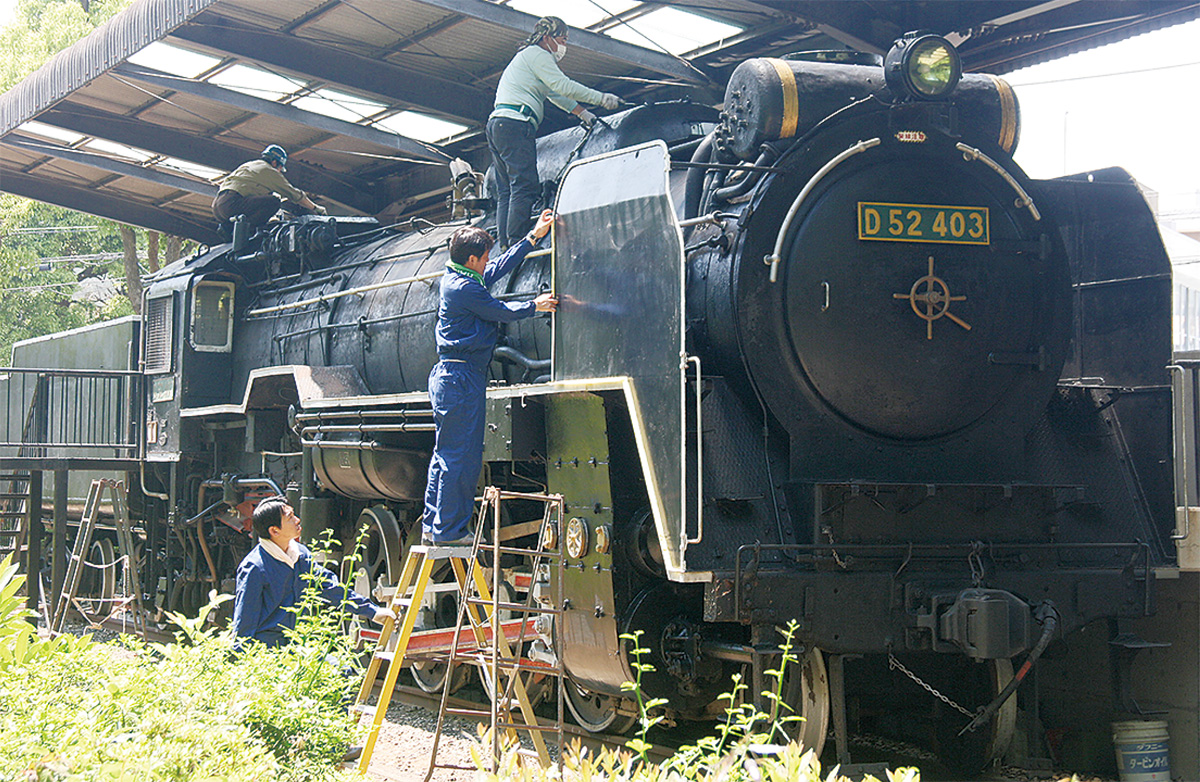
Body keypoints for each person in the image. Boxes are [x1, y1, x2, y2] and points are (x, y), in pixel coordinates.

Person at [422, 211, 558, 545]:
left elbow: (496, 269)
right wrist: (535, 306)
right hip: (461, 378)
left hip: (453, 376)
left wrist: (532, 238)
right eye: (483, 258)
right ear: (471, 259)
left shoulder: (458, 275)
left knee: (445, 455)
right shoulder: (464, 288)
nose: (487, 262)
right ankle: (450, 532)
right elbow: (500, 311)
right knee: (462, 457)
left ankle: (432, 525)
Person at [487, 16, 620, 247]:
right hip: (516, 123)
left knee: (506, 189)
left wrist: (582, 112)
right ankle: (518, 241)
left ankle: (504, 243)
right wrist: (601, 99)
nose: (564, 46)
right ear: (547, 37)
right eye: (563, 39)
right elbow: (562, 85)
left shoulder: (526, 58)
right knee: (524, 184)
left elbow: (554, 94)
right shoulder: (538, 54)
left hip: (499, 124)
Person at [232, 495, 393, 648]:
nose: (297, 520)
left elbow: (330, 588)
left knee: (341, 670)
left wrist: (373, 611)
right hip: (267, 650)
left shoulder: (301, 555)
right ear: (274, 531)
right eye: (290, 517)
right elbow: (244, 623)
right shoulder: (254, 567)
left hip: (297, 644)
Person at [212, 144, 326, 235]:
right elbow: (294, 194)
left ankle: (229, 228)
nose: (280, 171)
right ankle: (251, 231)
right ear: (275, 162)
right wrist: (315, 208)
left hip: (218, 207)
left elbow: (254, 197)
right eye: (280, 167)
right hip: (232, 204)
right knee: (273, 201)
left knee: (267, 200)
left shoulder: (251, 164)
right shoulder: (268, 170)